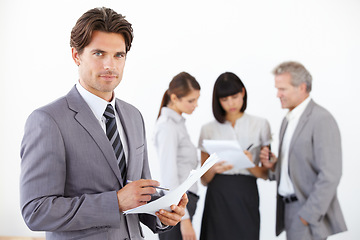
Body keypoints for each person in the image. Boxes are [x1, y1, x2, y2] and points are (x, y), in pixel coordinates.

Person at [20, 7, 187, 240]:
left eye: (119, 55)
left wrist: (163, 213)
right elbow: (36, 211)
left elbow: (139, 194)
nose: (111, 65)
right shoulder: (48, 121)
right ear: (76, 56)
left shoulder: (133, 116)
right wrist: (115, 202)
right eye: (99, 54)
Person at [260, 61, 347, 240]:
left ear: (302, 87)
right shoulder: (288, 120)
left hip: (306, 210)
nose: (278, 95)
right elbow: (297, 167)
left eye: (282, 89)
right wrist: (274, 165)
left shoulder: (321, 119)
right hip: (288, 209)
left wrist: (308, 215)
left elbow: (331, 174)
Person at [198, 72, 271, 240]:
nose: (230, 103)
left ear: (243, 93)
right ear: (217, 101)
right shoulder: (207, 129)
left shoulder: (260, 125)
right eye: (224, 100)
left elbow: (266, 174)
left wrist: (248, 163)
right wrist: (213, 169)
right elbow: (203, 179)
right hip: (218, 194)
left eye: (235, 97)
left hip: (246, 192)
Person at [153, 72, 201, 240]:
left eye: (196, 99)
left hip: (183, 204)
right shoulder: (168, 127)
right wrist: (185, 220)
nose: (196, 105)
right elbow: (169, 178)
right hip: (177, 208)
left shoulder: (178, 124)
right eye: (191, 100)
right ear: (174, 98)